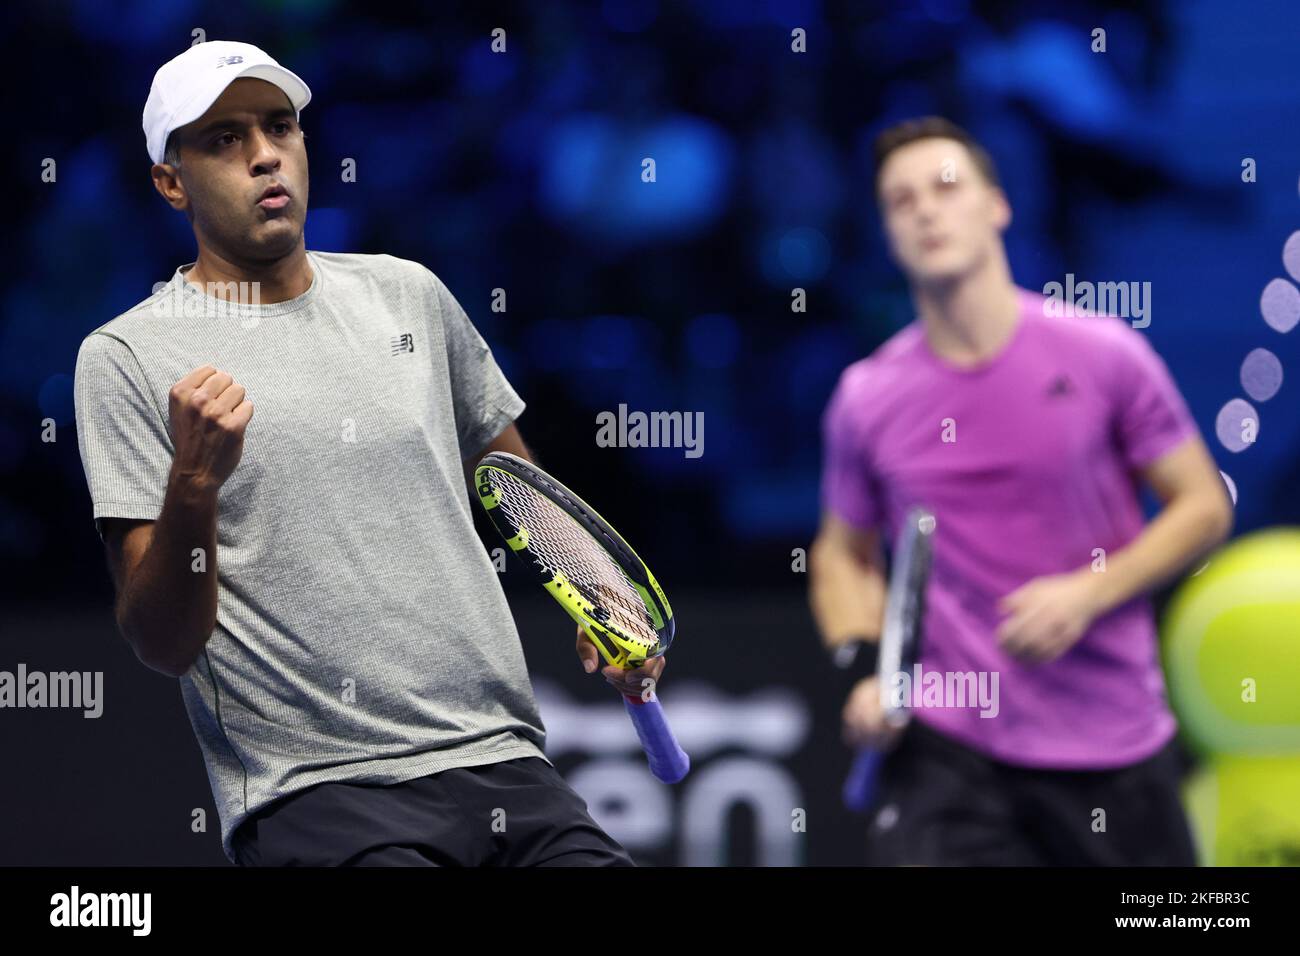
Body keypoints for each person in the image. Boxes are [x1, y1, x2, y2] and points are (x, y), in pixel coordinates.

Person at [72, 40, 657, 866]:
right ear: (171, 182)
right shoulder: (126, 356)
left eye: (280, 127)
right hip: (317, 797)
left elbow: (517, 486)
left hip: (507, 764)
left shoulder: (406, 293)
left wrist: (600, 596)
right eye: (224, 139)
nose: (266, 154)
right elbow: (162, 641)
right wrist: (194, 486)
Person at [808, 116, 1233, 865]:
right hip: (949, 750)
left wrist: (1087, 594)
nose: (926, 210)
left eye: (945, 187)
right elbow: (843, 551)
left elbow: (1202, 506)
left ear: (996, 205)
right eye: (900, 200)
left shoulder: (1107, 355)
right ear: (885, 230)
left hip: (1114, 742)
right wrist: (868, 665)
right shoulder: (866, 396)